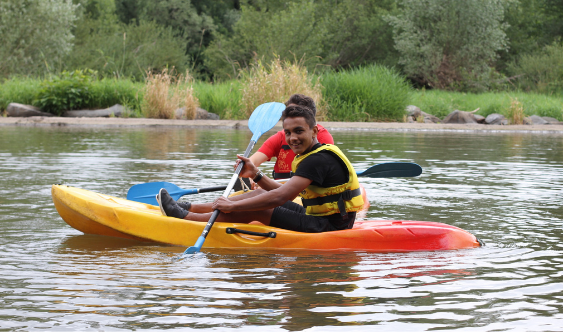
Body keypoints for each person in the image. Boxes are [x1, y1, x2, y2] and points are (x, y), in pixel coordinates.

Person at [157, 105, 364, 233]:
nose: (293, 138)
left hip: (330, 226)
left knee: (262, 208)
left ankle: (185, 219)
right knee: (257, 192)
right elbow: (280, 192)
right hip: (317, 215)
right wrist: (255, 173)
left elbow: (279, 198)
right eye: (288, 132)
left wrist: (233, 206)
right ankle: (190, 207)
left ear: (315, 131)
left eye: (299, 131)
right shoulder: (311, 154)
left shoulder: (317, 159)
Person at [249, 94, 334, 180]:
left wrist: (260, 180)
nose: (292, 138)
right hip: (280, 190)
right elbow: (252, 161)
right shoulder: (281, 136)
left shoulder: (323, 138)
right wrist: (249, 170)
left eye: (295, 113)